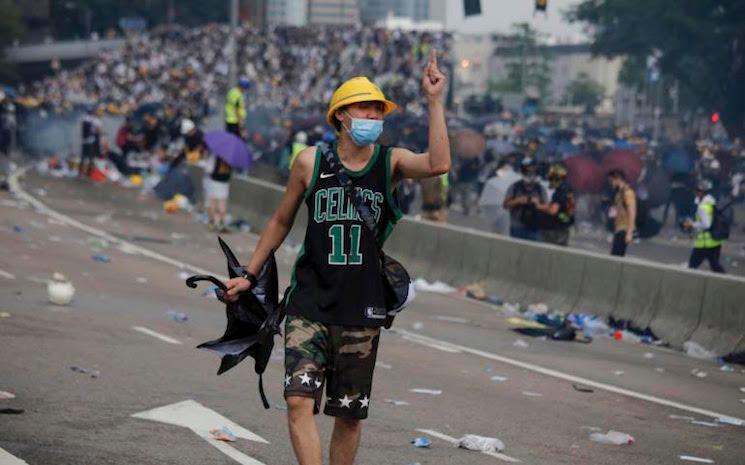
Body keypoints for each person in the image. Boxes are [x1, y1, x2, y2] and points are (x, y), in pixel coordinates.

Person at [223, 50, 450, 465]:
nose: (374, 116)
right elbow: (280, 220)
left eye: (379, 110)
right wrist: (249, 273)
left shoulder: (390, 162)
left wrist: (435, 101)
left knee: (348, 417)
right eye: (365, 107)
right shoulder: (309, 162)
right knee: (298, 401)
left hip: (362, 311)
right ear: (341, 116)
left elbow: (439, 163)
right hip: (308, 304)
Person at [683, 180, 725, 273]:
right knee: (715, 266)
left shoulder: (703, 207)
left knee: (692, 267)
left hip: (704, 243)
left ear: (702, 192)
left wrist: (691, 224)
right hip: (714, 241)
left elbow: (706, 224)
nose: (695, 192)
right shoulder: (711, 203)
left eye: (697, 191)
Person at [503, 158, 546, 241]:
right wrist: (518, 200)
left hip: (535, 228)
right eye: (528, 170)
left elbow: (547, 207)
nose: (531, 173)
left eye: (533, 170)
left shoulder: (540, 189)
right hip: (517, 226)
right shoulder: (515, 187)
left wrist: (537, 204)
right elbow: (505, 205)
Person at [478, 159, 521, 235]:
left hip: (500, 209)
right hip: (504, 210)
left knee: (498, 231)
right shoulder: (513, 179)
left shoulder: (498, 179)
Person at [536, 165, 575, 246]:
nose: (549, 181)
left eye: (550, 178)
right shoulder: (568, 189)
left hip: (554, 232)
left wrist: (539, 206)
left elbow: (553, 211)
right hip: (563, 228)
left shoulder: (559, 193)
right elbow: (568, 210)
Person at [201, 147, 233, 233]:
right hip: (225, 182)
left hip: (213, 181)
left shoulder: (215, 155)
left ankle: (212, 222)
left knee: (212, 203)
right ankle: (221, 223)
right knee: (222, 203)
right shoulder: (230, 157)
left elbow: (209, 169)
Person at [607, 169, 636, 256]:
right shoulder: (619, 193)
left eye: (611, 180)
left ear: (618, 179)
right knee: (615, 255)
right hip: (618, 228)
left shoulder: (628, 193)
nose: (611, 183)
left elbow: (632, 212)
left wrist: (629, 233)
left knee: (616, 255)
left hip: (624, 229)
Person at [79, 106, 102, 177]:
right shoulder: (95, 120)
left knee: (83, 157)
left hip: (84, 141)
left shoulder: (83, 118)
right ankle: (88, 174)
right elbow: (98, 130)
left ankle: (80, 173)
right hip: (91, 140)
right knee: (91, 157)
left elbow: (81, 128)